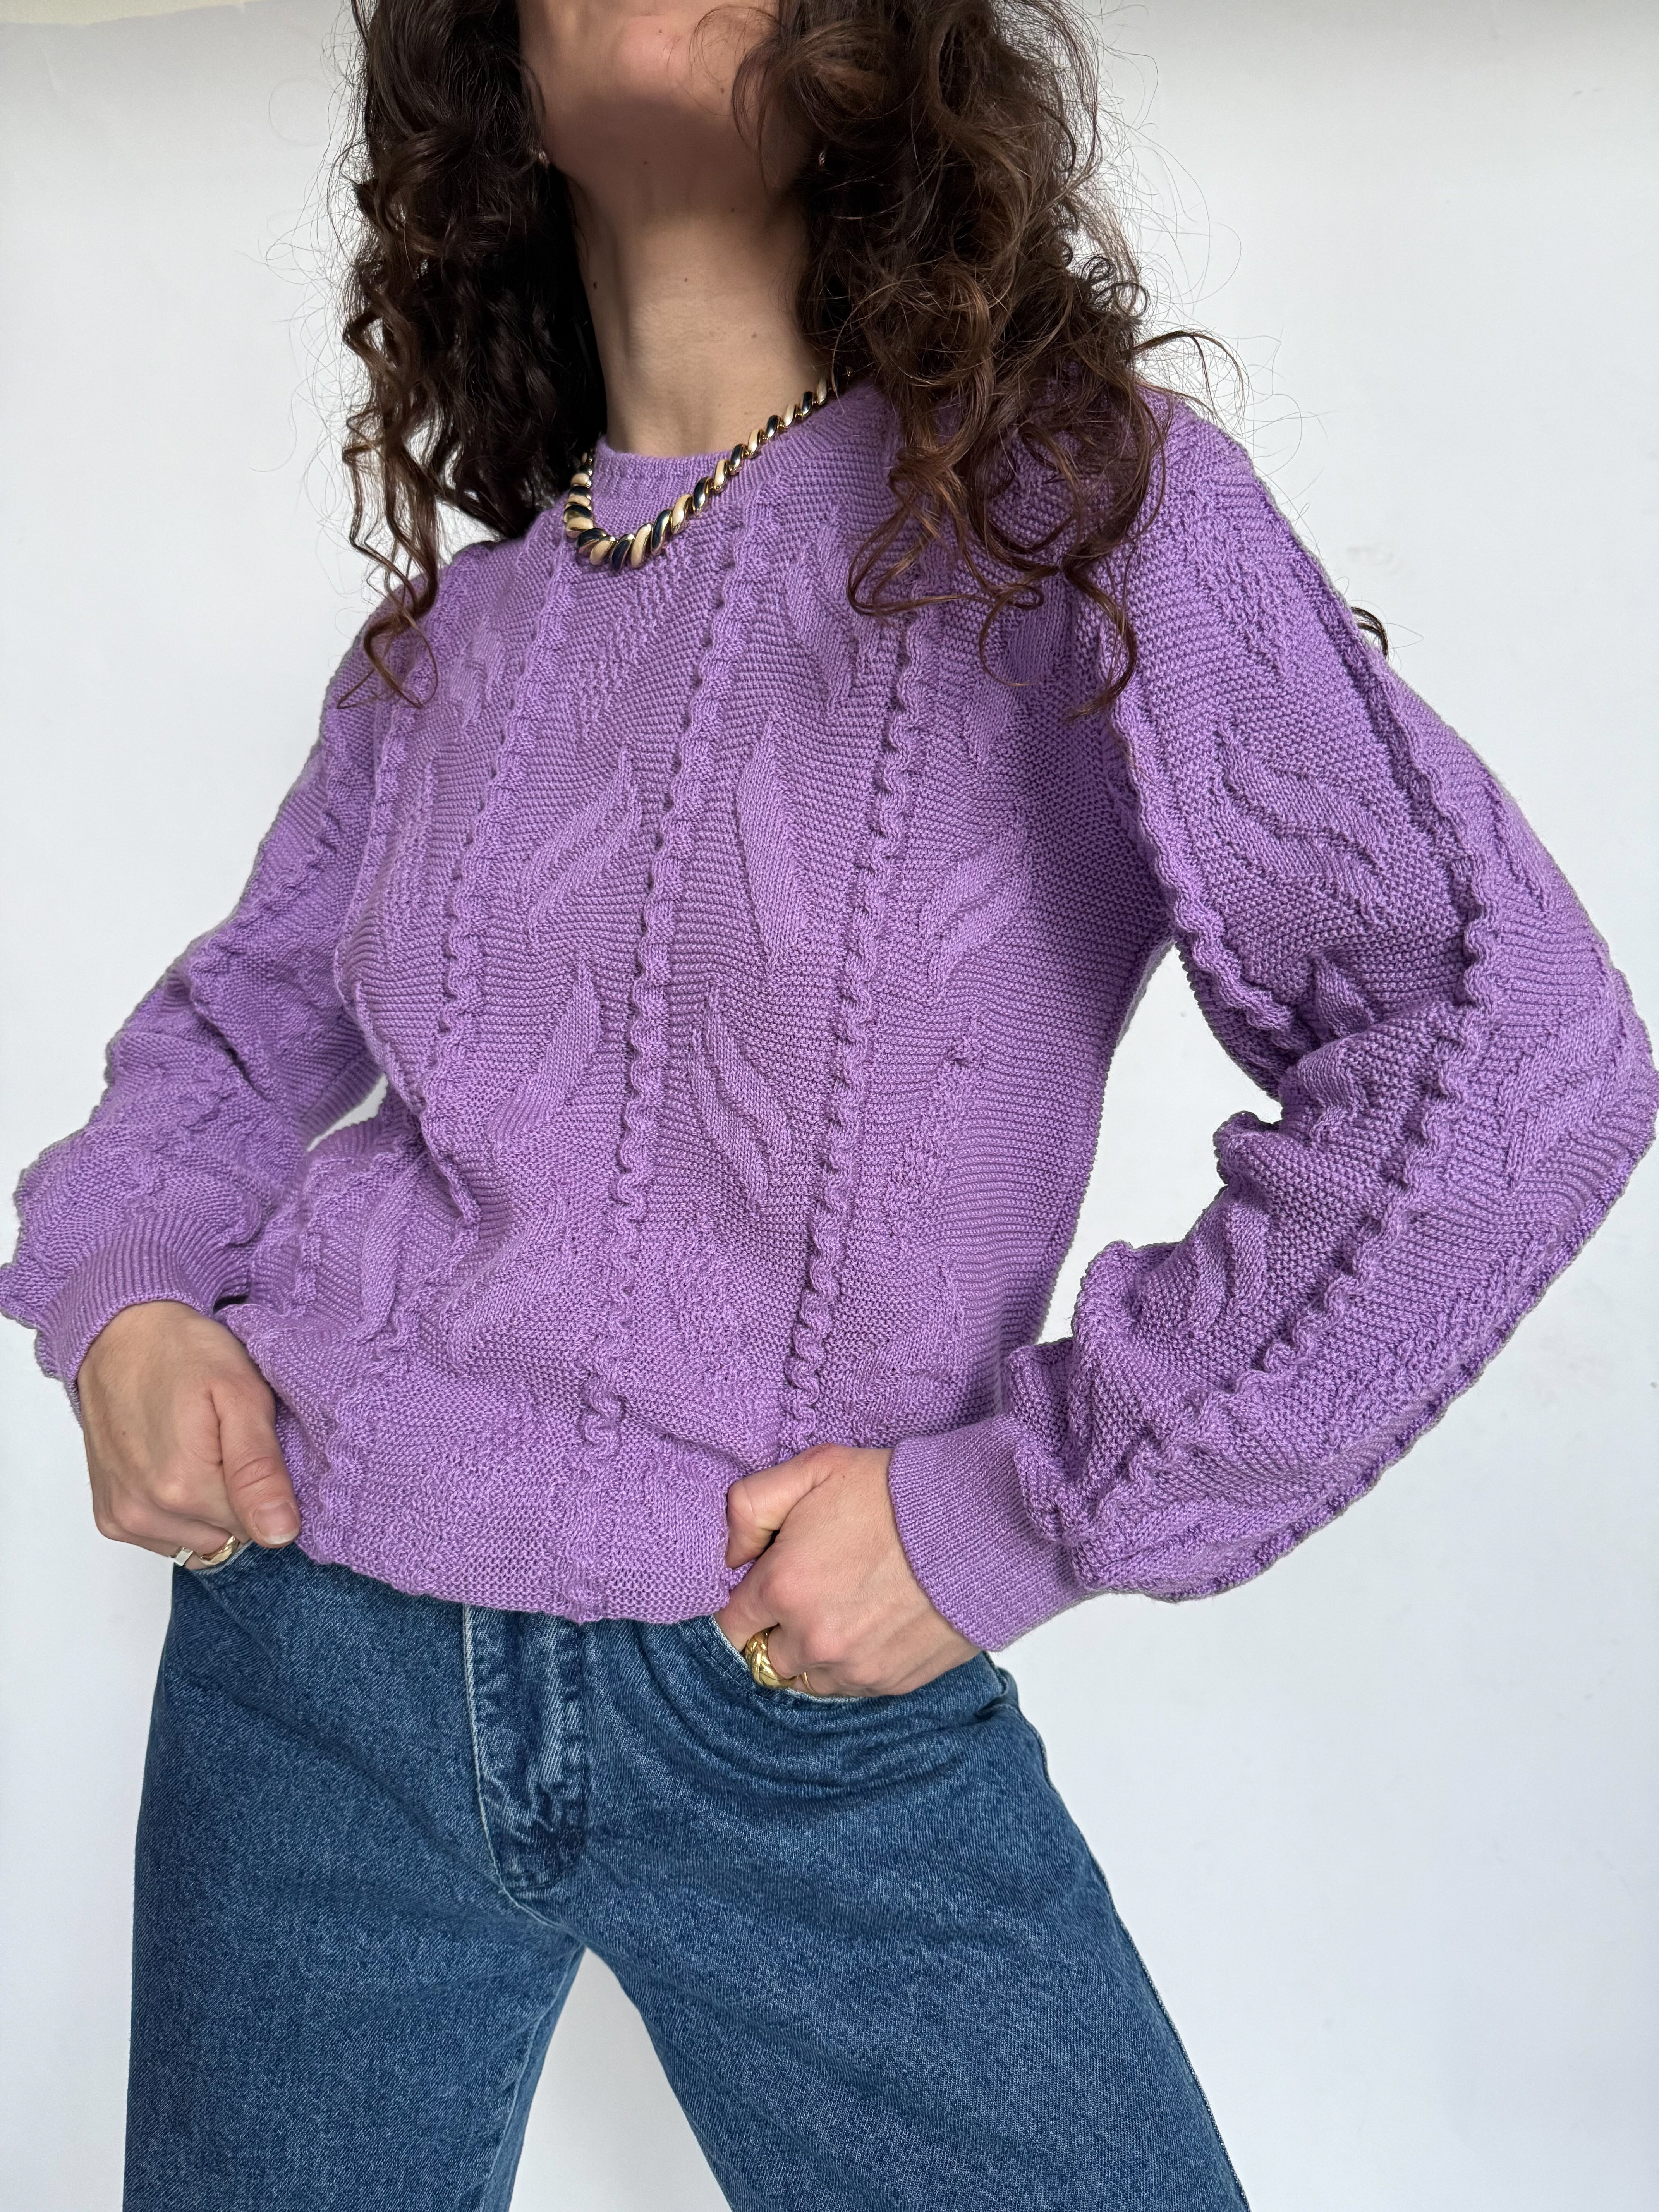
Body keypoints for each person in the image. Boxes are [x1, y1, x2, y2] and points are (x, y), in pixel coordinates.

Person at [2, 2, 1653, 2206]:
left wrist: (1019, 1506)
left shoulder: (1079, 522)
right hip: (313, 1666)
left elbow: (1505, 1040)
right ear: (491, 76)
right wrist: (122, 1297)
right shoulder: (453, 648)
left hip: (801, 1699)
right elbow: (227, 1049)